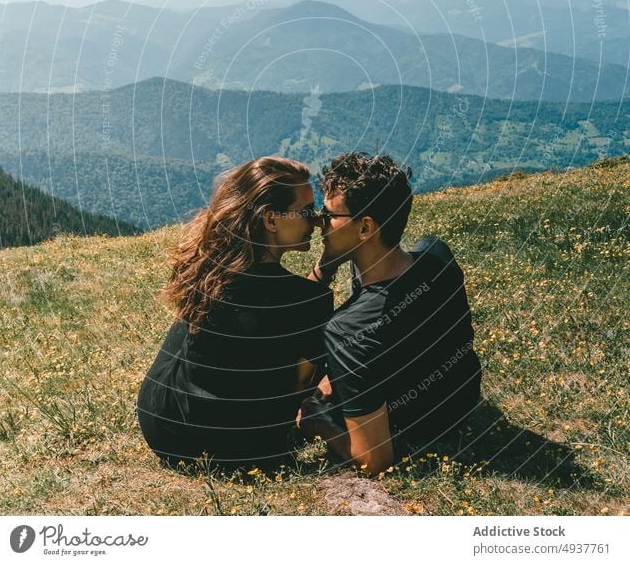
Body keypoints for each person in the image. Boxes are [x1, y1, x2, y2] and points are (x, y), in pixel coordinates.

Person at [135, 156, 332, 470]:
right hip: (230, 448)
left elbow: (278, 304)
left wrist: (323, 271)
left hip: (164, 425)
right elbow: (296, 389)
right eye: (307, 211)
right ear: (271, 220)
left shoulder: (211, 270)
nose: (318, 220)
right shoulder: (309, 301)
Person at [298, 152, 482, 476]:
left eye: (328, 216)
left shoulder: (348, 331)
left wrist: (319, 419)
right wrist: (327, 265)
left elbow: (374, 460)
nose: (318, 223)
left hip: (424, 424)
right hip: (463, 400)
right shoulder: (436, 254)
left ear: (365, 227)